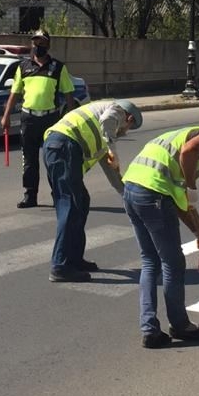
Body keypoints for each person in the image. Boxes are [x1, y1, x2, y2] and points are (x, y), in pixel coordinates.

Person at [121, 107, 199, 349]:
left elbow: (179, 200)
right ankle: (181, 325)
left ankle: (150, 329)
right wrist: (192, 186)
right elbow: (188, 153)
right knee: (172, 263)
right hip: (153, 195)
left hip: (132, 189)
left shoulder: (180, 134)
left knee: (150, 261)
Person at [42, 99, 143, 283]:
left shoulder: (103, 136)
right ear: (128, 118)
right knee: (70, 206)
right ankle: (60, 266)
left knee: (81, 202)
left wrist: (127, 197)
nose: (125, 132)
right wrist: (114, 151)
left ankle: (74, 259)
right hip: (63, 146)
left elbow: (112, 172)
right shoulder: (116, 110)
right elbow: (107, 121)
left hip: (60, 148)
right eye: (128, 127)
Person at [1, 29, 75, 208]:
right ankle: (30, 195)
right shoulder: (23, 67)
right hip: (29, 119)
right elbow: (14, 93)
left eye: (41, 43)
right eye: (35, 43)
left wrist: (72, 119)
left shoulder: (58, 67)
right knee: (29, 159)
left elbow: (69, 94)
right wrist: (6, 116)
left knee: (53, 159)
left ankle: (58, 195)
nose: (38, 46)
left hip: (50, 119)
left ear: (48, 45)